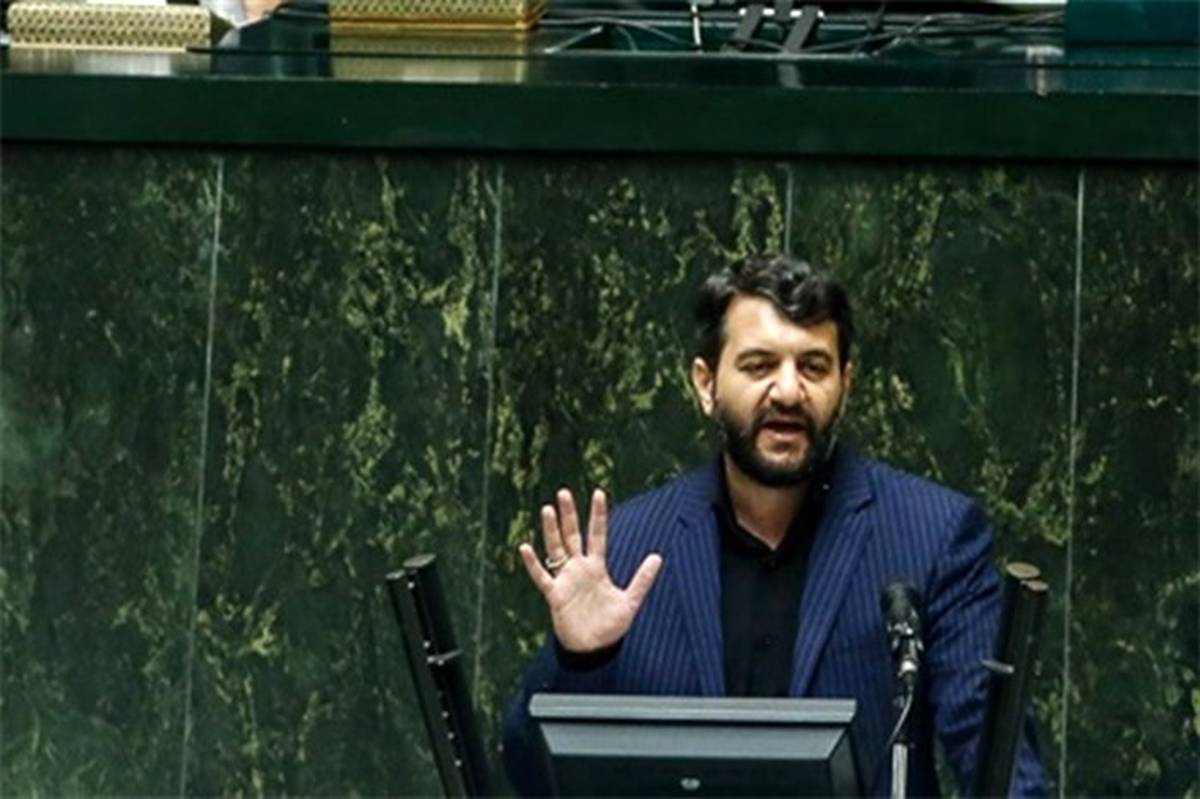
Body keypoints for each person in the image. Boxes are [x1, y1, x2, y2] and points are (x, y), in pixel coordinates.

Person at [502, 254, 1046, 797]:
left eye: (813, 367)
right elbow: (528, 775)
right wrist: (578, 660)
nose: (788, 391)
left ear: (845, 383)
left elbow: (1003, 771)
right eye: (759, 366)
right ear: (706, 384)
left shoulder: (934, 537)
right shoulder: (627, 549)